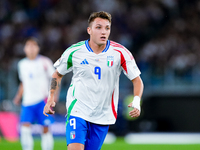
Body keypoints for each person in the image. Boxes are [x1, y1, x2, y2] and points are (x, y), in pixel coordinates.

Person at [43, 11, 144, 150]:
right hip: (77, 110)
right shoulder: (75, 51)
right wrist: (50, 98)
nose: (104, 32)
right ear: (89, 30)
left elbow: (137, 80)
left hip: (103, 115)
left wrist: (137, 101)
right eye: (99, 27)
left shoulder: (120, 53)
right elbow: (57, 74)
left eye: (107, 28)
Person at [13, 37, 55, 150]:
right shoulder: (21, 64)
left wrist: (52, 98)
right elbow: (23, 82)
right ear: (24, 48)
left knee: (45, 128)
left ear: (38, 48)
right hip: (27, 101)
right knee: (25, 129)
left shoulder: (45, 62)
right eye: (28, 46)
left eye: (33, 45)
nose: (31, 48)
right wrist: (18, 96)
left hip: (43, 100)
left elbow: (55, 80)